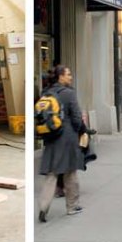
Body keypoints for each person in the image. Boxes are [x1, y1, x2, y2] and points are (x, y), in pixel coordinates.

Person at [38, 64, 85, 220]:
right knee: (70, 173)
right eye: (68, 74)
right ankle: (72, 206)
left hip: (51, 137)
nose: (70, 77)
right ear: (61, 77)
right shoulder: (69, 94)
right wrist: (80, 131)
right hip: (68, 136)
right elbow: (77, 118)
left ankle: (43, 207)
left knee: (52, 174)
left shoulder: (46, 93)